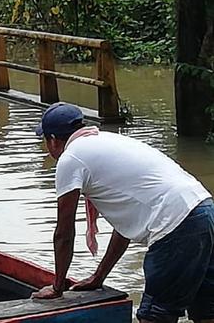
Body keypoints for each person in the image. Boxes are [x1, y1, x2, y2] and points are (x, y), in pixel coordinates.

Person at [30, 103, 213, 323]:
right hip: (204, 210)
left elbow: (64, 232)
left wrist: (57, 287)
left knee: (155, 316)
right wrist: (99, 277)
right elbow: (124, 226)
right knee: (207, 311)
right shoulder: (106, 141)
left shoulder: (71, 158)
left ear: (52, 139)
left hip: (175, 224)